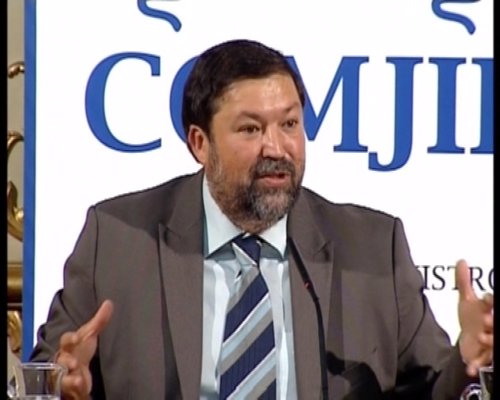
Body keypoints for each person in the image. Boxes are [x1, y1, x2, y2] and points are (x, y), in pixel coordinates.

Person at [29, 39, 493, 400]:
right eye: (251, 129)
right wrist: (62, 385)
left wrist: (468, 361)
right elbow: (49, 371)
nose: (277, 148)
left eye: (289, 124)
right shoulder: (116, 239)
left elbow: (434, 387)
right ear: (199, 143)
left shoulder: (373, 248)